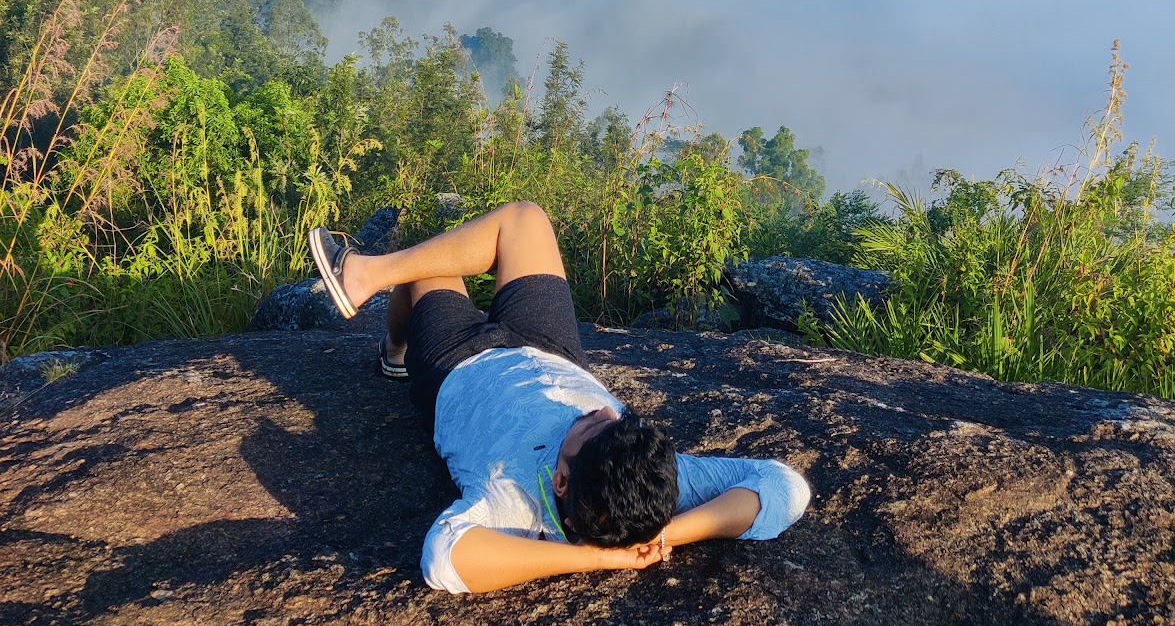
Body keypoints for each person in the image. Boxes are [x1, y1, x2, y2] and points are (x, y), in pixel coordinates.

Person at [308, 200, 811, 594]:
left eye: (589, 426)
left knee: (428, 265)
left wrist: (598, 558)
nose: (604, 409)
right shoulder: (653, 480)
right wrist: (662, 537)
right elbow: (785, 488)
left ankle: (394, 350)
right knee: (525, 221)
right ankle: (366, 276)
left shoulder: (514, 503)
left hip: (459, 369)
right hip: (554, 351)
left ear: (562, 479)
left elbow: (445, 559)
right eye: (616, 418)